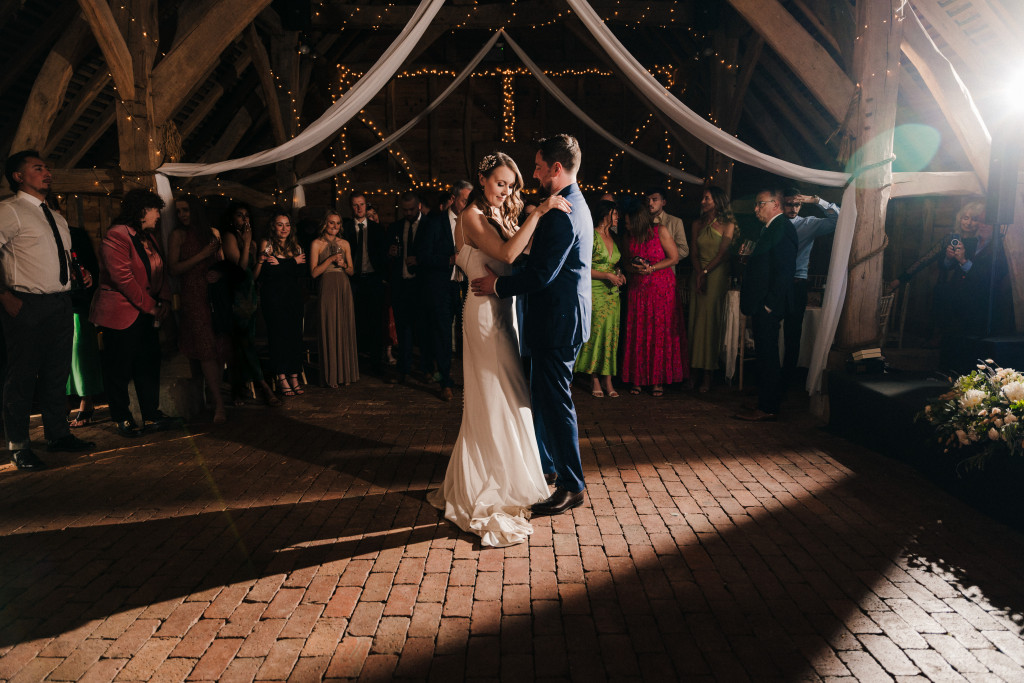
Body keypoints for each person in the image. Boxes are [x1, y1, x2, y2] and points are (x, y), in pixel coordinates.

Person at [428, 150, 574, 545]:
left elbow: (524, 256)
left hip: (505, 313)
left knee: (512, 396)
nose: (504, 190)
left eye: (510, 185)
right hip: (484, 317)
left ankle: (511, 472)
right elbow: (509, 254)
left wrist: (530, 220)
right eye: (499, 183)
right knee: (496, 397)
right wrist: (539, 213)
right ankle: (490, 482)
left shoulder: (497, 216)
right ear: (482, 179)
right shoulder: (471, 218)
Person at [471, 134, 593, 517]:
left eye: (540, 166)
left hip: (557, 322)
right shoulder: (576, 202)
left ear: (557, 168)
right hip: (563, 317)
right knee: (546, 400)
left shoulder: (560, 212)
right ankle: (549, 467)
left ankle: (572, 486)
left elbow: (541, 274)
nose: (535, 173)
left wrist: (499, 284)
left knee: (556, 405)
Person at [0, 151, 95, 470]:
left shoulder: (55, 216)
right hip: (27, 304)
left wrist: (77, 272)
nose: (47, 172)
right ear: (18, 176)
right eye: (37, 168)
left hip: (61, 303)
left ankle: (58, 434)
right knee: (23, 375)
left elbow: (63, 255)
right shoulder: (9, 211)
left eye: (46, 167)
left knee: (57, 372)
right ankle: (19, 445)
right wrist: (4, 296)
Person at [90, 189, 179, 437]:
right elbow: (123, 279)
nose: (158, 215)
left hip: (147, 312)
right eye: (155, 210)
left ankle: (151, 415)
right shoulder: (116, 235)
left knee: (148, 365)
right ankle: (122, 418)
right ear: (142, 211)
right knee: (119, 369)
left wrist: (164, 300)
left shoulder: (148, 237)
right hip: (121, 313)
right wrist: (151, 306)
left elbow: (160, 270)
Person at [735, 189, 798, 422]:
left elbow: (785, 270)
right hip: (761, 303)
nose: (756, 209)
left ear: (775, 204)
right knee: (764, 354)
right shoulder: (771, 228)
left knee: (769, 355)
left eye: (759, 204)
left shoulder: (782, 228)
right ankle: (766, 399)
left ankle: (768, 406)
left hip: (768, 305)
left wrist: (769, 305)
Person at [168, 195, 228, 423]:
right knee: (205, 349)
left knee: (219, 347)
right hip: (193, 296)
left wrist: (219, 273)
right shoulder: (178, 235)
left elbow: (222, 263)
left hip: (213, 296)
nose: (182, 215)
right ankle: (219, 404)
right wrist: (202, 255)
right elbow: (174, 269)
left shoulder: (213, 232)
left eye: (186, 210)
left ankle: (214, 398)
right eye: (179, 211)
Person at [219, 202, 280, 407]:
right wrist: (246, 245)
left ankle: (239, 389)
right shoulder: (229, 237)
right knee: (244, 344)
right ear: (232, 218)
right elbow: (240, 268)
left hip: (250, 296)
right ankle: (264, 387)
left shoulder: (251, 242)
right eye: (239, 215)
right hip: (236, 296)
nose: (244, 219)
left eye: (247, 215)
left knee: (245, 343)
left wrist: (261, 259)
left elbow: (252, 275)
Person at [621, 200, 684, 397]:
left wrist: (652, 268)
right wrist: (635, 269)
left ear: (639, 220)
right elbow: (624, 262)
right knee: (638, 333)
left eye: (629, 222)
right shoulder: (628, 237)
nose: (627, 225)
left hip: (661, 289)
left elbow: (674, 257)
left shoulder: (660, 231)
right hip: (638, 289)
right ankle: (638, 379)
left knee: (659, 333)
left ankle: (658, 380)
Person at [781, 188, 840, 382]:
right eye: (789, 204)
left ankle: (787, 378)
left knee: (793, 334)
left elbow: (838, 220)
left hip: (797, 285)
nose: (793, 208)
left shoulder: (808, 225)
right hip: (775, 285)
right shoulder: (772, 225)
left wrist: (817, 201)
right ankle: (768, 377)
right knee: (768, 334)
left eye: (797, 204)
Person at [414, 188, 464, 401]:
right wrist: (449, 260)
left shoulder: (474, 222)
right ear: (453, 199)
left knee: (467, 336)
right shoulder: (434, 223)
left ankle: (470, 381)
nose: (468, 204)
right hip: (442, 287)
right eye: (464, 200)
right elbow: (423, 257)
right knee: (443, 335)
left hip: (467, 287)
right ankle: (444, 381)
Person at [688, 186, 736, 393]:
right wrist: (699, 273)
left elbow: (723, 254)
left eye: (707, 198)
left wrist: (705, 273)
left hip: (716, 275)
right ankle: (693, 372)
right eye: (702, 198)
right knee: (695, 322)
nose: (702, 202)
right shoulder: (697, 224)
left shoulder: (728, 225)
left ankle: (708, 374)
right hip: (698, 273)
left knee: (710, 322)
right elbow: (693, 252)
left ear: (717, 201)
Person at [574, 200, 624, 398]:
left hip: (613, 295)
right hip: (595, 290)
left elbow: (614, 263)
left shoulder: (613, 235)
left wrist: (619, 274)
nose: (617, 217)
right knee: (595, 334)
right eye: (614, 214)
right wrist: (607, 276)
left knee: (611, 336)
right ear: (606, 215)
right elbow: (583, 267)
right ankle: (593, 377)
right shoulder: (591, 235)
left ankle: (608, 378)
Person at [254, 209, 307, 396]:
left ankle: (294, 375)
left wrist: (283, 264)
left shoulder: (297, 247)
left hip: (293, 299)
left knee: (294, 338)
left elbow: (302, 273)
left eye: (287, 224)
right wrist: (292, 264)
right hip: (273, 299)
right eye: (280, 224)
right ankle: (281, 376)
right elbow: (260, 275)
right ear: (273, 226)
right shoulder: (266, 244)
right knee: (278, 338)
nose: (284, 228)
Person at [62, 199, 103, 427]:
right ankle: (62, 405)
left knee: (81, 354)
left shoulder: (75, 234)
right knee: (58, 358)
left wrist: (87, 278)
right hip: (51, 304)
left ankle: (86, 403)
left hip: (78, 303)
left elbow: (93, 269)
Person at [310, 210, 358, 387]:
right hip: (327, 285)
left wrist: (344, 264)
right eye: (331, 223)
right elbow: (314, 273)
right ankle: (331, 376)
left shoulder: (345, 243)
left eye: (338, 223)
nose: (335, 226)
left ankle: (345, 374)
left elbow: (352, 270)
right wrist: (330, 259)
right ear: (325, 223)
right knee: (329, 326)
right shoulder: (317, 243)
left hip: (343, 285)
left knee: (344, 326)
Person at [342, 192, 387, 372]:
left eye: (361, 204)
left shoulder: (377, 228)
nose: (359, 208)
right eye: (355, 205)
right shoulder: (345, 228)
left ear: (366, 206)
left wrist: (382, 276)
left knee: (375, 320)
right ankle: (355, 361)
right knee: (354, 320)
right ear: (351, 207)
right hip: (353, 279)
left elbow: (383, 255)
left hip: (373, 278)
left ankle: (376, 362)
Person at [386, 192, 426, 383]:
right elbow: (386, 257)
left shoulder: (428, 225)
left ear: (419, 206)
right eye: (405, 210)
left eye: (411, 209)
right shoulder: (395, 227)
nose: (408, 213)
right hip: (401, 286)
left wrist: (420, 260)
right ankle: (404, 370)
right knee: (403, 331)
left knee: (423, 330)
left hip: (421, 286)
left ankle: (426, 369)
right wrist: (390, 253)